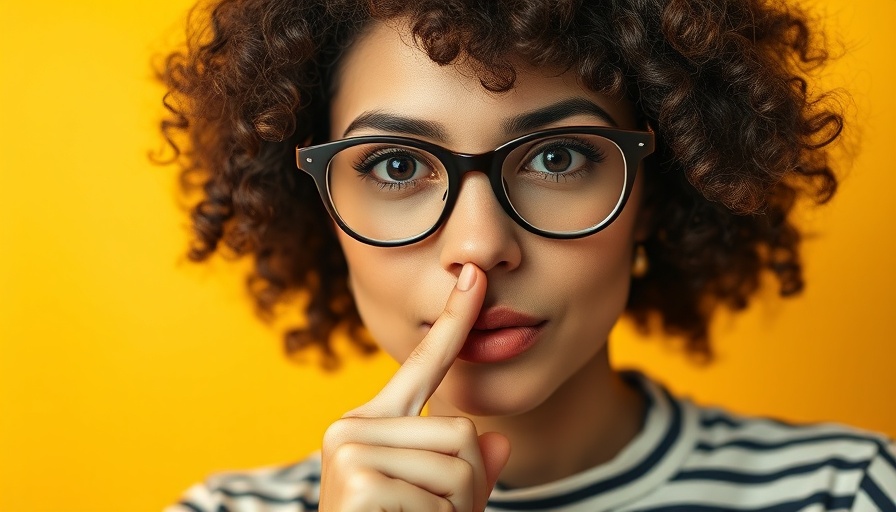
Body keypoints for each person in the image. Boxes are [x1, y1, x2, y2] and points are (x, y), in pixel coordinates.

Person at [158, 0, 896, 510]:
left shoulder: (852, 493)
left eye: (558, 158)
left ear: (657, 189)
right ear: (320, 205)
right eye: (394, 166)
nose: (480, 245)